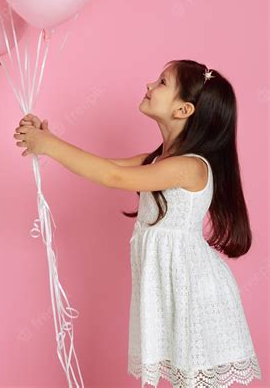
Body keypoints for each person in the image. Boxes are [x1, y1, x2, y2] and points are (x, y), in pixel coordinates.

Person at [13, 58, 262, 388]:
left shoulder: (190, 167)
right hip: (171, 287)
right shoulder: (158, 161)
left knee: (193, 378)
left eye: (161, 83)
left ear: (183, 110)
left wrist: (51, 147)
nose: (149, 86)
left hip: (193, 291)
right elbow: (104, 166)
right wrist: (50, 141)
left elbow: (113, 176)